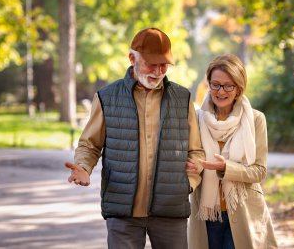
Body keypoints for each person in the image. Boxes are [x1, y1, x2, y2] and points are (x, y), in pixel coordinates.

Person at [65, 27, 205, 249]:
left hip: (170, 208)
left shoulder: (183, 98)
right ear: (132, 58)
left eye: (164, 65)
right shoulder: (106, 97)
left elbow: (196, 150)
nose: (159, 71)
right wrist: (83, 166)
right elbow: (90, 144)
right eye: (152, 64)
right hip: (122, 210)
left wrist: (187, 182)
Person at [187, 54, 278, 249]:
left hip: (243, 210)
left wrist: (226, 168)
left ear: (238, 88)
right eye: (215, 84)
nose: (221, 91)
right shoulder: (196, 118)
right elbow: (192, 158)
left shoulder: (255, 119)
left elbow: (259, 171)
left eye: (228, 85)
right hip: (206, 212)